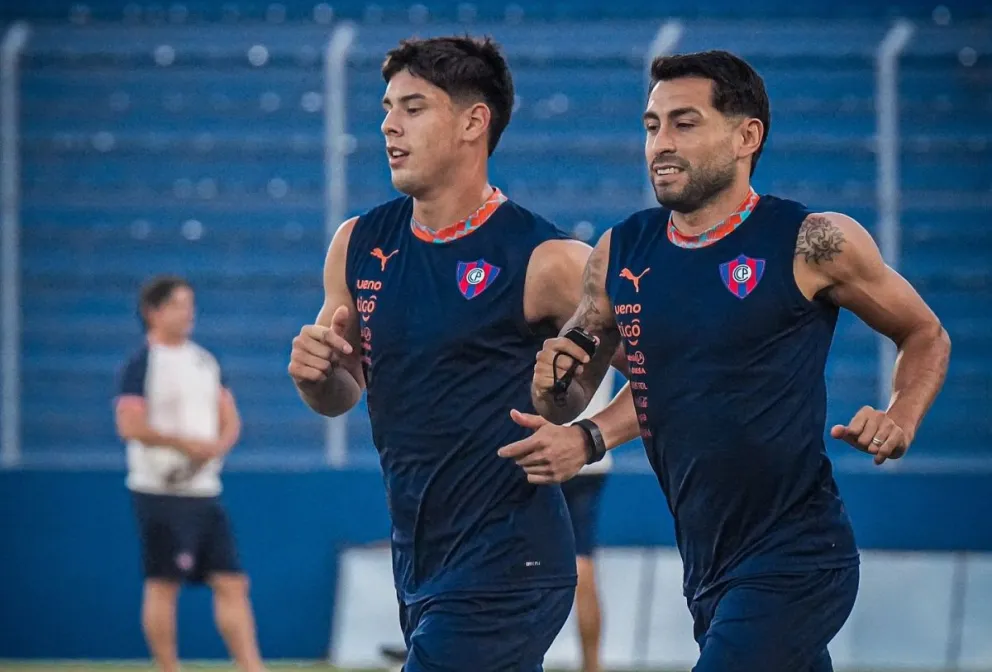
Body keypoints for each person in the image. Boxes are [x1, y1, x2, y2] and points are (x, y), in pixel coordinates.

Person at [499, 50, 951, 672]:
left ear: (746, 136)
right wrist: (565, 406)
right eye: (652, 125)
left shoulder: (813, 241)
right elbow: (584, 392)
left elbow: (924, 333)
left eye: (684, 123)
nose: (660, 142)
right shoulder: (620, 251)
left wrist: (902, 413)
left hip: (799, 555)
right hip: (708, 564)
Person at [288, 36, 618, 672]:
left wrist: (591, 439)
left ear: (474, 121)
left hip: (509, 561)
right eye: (387, 107)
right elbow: (341, 396)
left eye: (413, 107)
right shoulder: (357, 244)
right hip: (419, 560)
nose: (388, 124)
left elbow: (675, 369)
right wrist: (317, 376)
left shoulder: (547, 260)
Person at [114, 275, 266, 672]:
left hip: (204, 490)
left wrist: (215, 448)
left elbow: (229, 417)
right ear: (154, 311)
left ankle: (252, 667)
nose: (189, 312)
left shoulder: (204, 360)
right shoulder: (141, 363)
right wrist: (184, 446)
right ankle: (168, 668)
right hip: (160, 491)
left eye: (190, 304)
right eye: (180, 304)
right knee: (164, 584)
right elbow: (130, 424)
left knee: (232, 581)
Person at [560, 373, 614, 672]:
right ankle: (592, 666)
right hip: (593, 449)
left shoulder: (536, 325)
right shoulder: (603, 325)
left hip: (550, 444)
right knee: (583, 562)